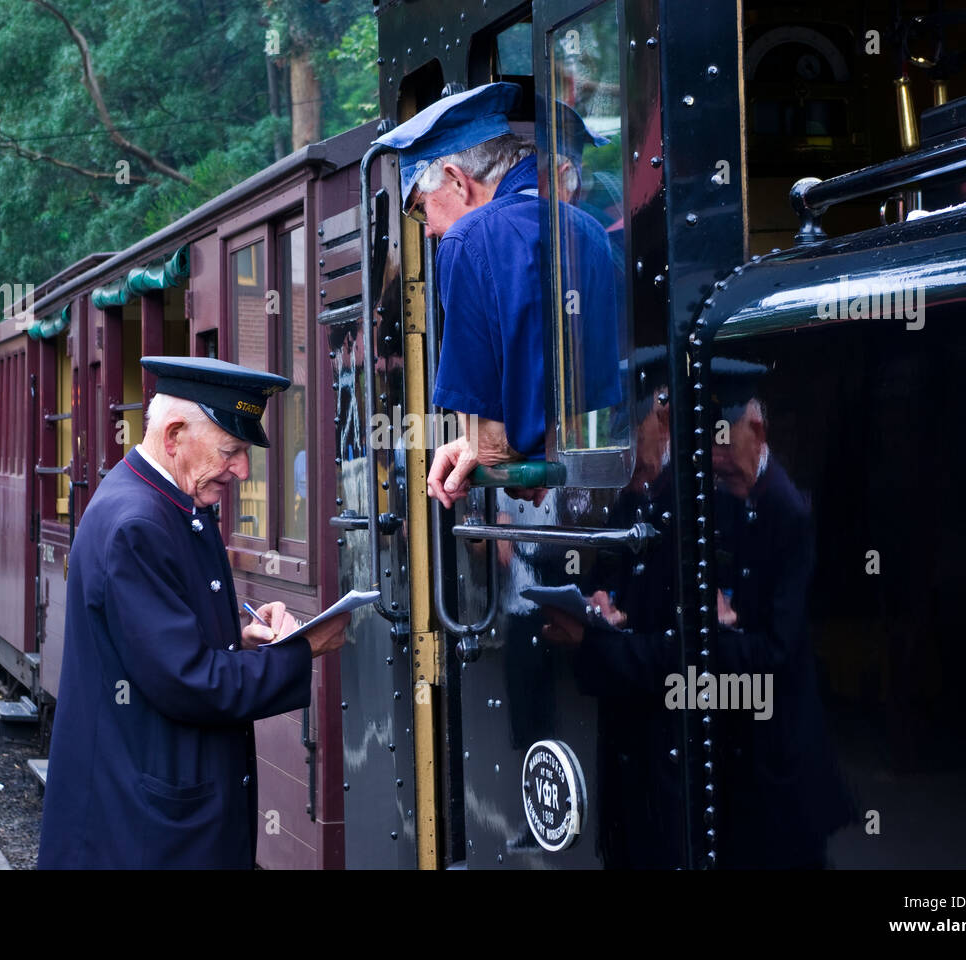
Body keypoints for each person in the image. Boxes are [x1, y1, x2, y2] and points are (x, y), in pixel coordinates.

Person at [38, 356, 350, 869]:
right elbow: (188, 682)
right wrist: (303, 649)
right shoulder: (138, 525)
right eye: (232, 451)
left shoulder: (161, 502)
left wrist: (239, 638)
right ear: (174, 435)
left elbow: (164, 644)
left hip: (155, 815)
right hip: (145, 832)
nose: (243, 470)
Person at [542, 356, 853, 868]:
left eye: (629, 439)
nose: (623, 460)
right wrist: (596, 611)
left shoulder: (725, 508)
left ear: (662, 424)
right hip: (639, 759)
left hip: (725, 768)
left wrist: (606, 640)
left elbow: (692, 655)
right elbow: (616, 598)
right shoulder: (634, 504)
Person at [373, 83, 618, 509]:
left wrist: (475, 448)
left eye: (419, 207)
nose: (427, 228)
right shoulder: (590, 231)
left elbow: (492, 447)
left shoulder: (467, 240)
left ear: (455, 181)